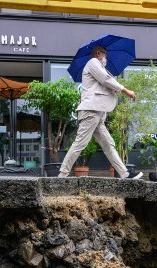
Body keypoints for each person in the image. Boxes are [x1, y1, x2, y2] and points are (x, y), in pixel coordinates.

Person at [58, 45, 143, 179]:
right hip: (90, 111)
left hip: (97, 113)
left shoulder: (99, 66)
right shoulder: (93, 63)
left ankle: (124, 173)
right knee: (80, 143)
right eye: (105, 55)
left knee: (108, 144)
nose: (106, 58)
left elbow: (105, 82)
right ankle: (62, 174)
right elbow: (106, 79)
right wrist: (126, 90)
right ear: (98, 53)